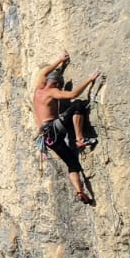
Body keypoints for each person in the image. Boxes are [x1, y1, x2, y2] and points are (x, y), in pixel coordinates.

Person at [32, 51, 101, 204]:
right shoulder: (53, 92)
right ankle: (79, 138)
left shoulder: (38, 89)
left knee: (72, 164)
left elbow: (45, 72)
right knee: (77, 106)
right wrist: (89, 80)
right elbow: (73, 94)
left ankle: (79, 191)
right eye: (60, 85)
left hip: (47, 138)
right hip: (53, 129)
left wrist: (60, 60)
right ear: (57, 84)